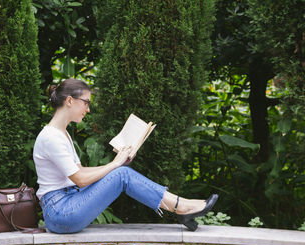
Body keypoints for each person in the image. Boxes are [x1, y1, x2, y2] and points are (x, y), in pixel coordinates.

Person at [33, 78, 218, 234]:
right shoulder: (51, 137)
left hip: (67, 204)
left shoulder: (61, 134)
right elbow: (81, 179)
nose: (88, 109)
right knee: (121, 173)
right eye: (86, 102)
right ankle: (181, 207)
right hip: (60, 212)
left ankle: (181, 206)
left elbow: (79, 171)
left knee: (121, 171)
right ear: (70, 101)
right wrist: (115, 164)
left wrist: (120, 162)